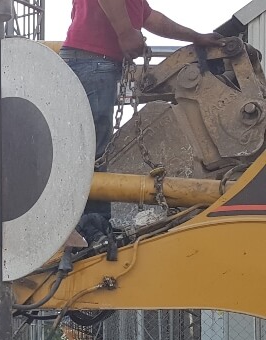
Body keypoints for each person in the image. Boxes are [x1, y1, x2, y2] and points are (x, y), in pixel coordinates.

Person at [61, 0, 223, 241]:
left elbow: (151, 18)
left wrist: (195, 37)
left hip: (95, 61)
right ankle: (89, 227)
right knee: (90, 147)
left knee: (94, 146)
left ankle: (94, 224)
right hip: (91, 60)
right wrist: (125, 33)